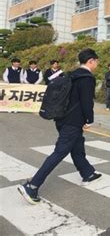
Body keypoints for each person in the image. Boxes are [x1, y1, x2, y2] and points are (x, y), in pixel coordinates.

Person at [18, 49, 102, 205]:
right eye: (96, 61)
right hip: (73, 121)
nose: (97, 64)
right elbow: (86, 102)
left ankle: (88, 173)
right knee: (60, 152)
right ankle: (32, 186)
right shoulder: (87, 78)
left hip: (62, 118)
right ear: (91, 60)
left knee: (77, 146)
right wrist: (89, 120)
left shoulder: (71, 74)